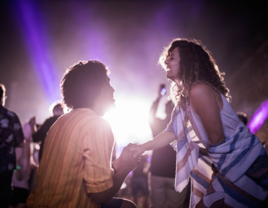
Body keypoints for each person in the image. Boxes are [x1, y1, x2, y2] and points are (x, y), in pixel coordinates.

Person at [131, 39, 268, 208]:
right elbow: (171, 132)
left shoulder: (199, 90)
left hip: (244, 162)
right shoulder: (184, 102)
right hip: (230, 164)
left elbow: (217, 137)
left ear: (187, 61)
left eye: (172, 57)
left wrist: (216, 178)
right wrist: (141, 147)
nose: (166, 61)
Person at [26, 60, 141, 208]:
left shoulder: (60, 122)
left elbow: (88, 172)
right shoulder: (97, 124)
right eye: (107, 83)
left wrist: (122, 161)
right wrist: (126, 168)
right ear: (96, 89)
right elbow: (100, 195)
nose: (113, 90)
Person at [148, 86, 190, 208]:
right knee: (176, 206)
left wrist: (159, 97)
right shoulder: (185, 127)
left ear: (165, 110)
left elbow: (150, 115)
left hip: (157, 172)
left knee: (157, 206)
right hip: (177, 173)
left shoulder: (159, 124)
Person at [0, 84, 24, 208]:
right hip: (5, 168)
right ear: (2, 98)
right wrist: (17, 167)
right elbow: (20, 143)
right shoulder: (11, 117)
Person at [10, 117, 36, 208]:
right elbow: (16, 158)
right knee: (20, 201)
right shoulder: (23, 142)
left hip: (23, 178)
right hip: (19, 180)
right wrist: (17, 169)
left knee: (17, 201)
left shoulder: (29, 143)